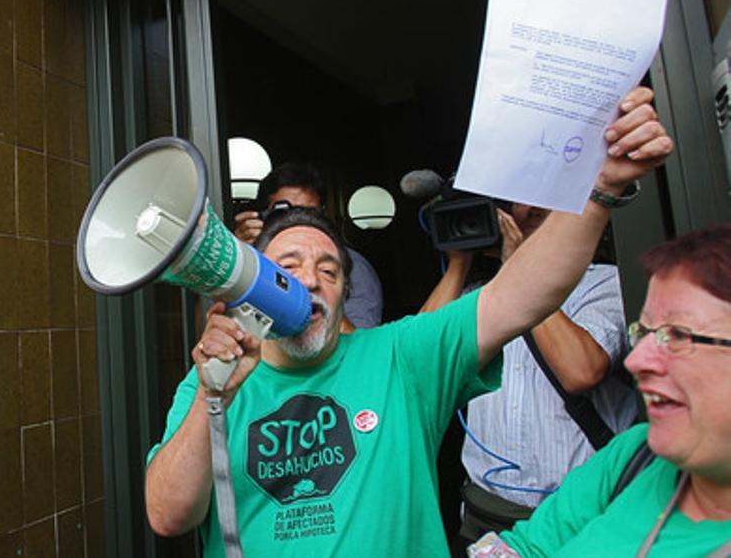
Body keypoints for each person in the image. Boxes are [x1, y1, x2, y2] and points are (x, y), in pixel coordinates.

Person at [144, 87, 672, 556]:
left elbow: (525, 291)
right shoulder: (215, 380)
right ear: (256, 286)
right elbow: (169, 516)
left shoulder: (401, 357)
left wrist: (602, 187)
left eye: (329, 270)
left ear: (346, 293)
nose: (310, 281)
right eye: (288, 268)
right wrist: (213, 400)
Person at [470, 224, 731, 557]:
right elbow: (525, 547)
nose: (636, 360)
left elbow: (580, 370)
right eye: (644, 333)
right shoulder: (636, 455)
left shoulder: (601, 282)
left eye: (678, 335)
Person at [422, 203, 637, 544]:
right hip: (486, 513)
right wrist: (458, 265)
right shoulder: (484, 294)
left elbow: (581, 371)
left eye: (541, 213)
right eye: (519, 212)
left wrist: (524, 270)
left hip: (578, 513)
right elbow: (420, 361)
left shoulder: (604, 282)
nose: (527, 220)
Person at [234, 162, 385, 328]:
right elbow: (236, 327)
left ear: (324, 214)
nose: (297, 221)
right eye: (284, 213)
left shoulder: (351, 265)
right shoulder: (253, 261)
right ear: (264, 216)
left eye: (308, 213)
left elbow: (360, 343)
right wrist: (240, 259)